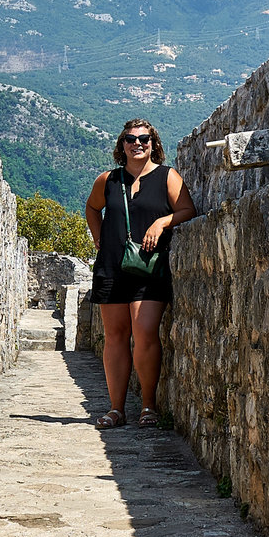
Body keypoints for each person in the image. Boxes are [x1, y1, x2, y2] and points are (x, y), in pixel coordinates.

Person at [84, 119, 196, 429]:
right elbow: (92, 209)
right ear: (122, 145)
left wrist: (162, 223)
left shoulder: (167, 177)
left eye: (144, 138)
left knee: (145, 331)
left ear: (153, 143)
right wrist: (98, 238)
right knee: (116, 337)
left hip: (149, 267)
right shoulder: (108, 180)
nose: (138, 143)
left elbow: (187, 209)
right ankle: (116, 409)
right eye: (131, 139)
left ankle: (148, 406)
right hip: (112, 266)